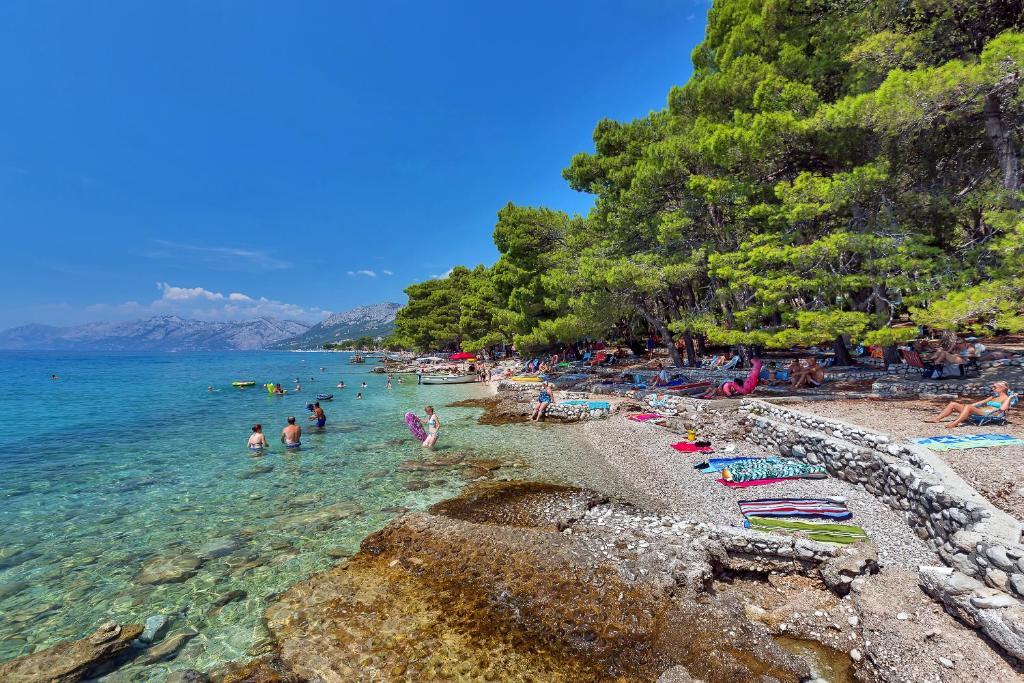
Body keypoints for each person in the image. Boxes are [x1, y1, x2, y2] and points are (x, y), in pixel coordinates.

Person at [925, 381, 1016, 428]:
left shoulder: (1006, 398)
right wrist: (967, 407)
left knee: (968, 407)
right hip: (981, 411)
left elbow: (1002, 409)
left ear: (1002, 388)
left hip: (990, 413)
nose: (993, 388)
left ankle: (955, 423)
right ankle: (936, 419)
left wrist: (1010, 397)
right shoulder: (993, 397)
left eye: (995, 387)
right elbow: (980, 402)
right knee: (953, 404)